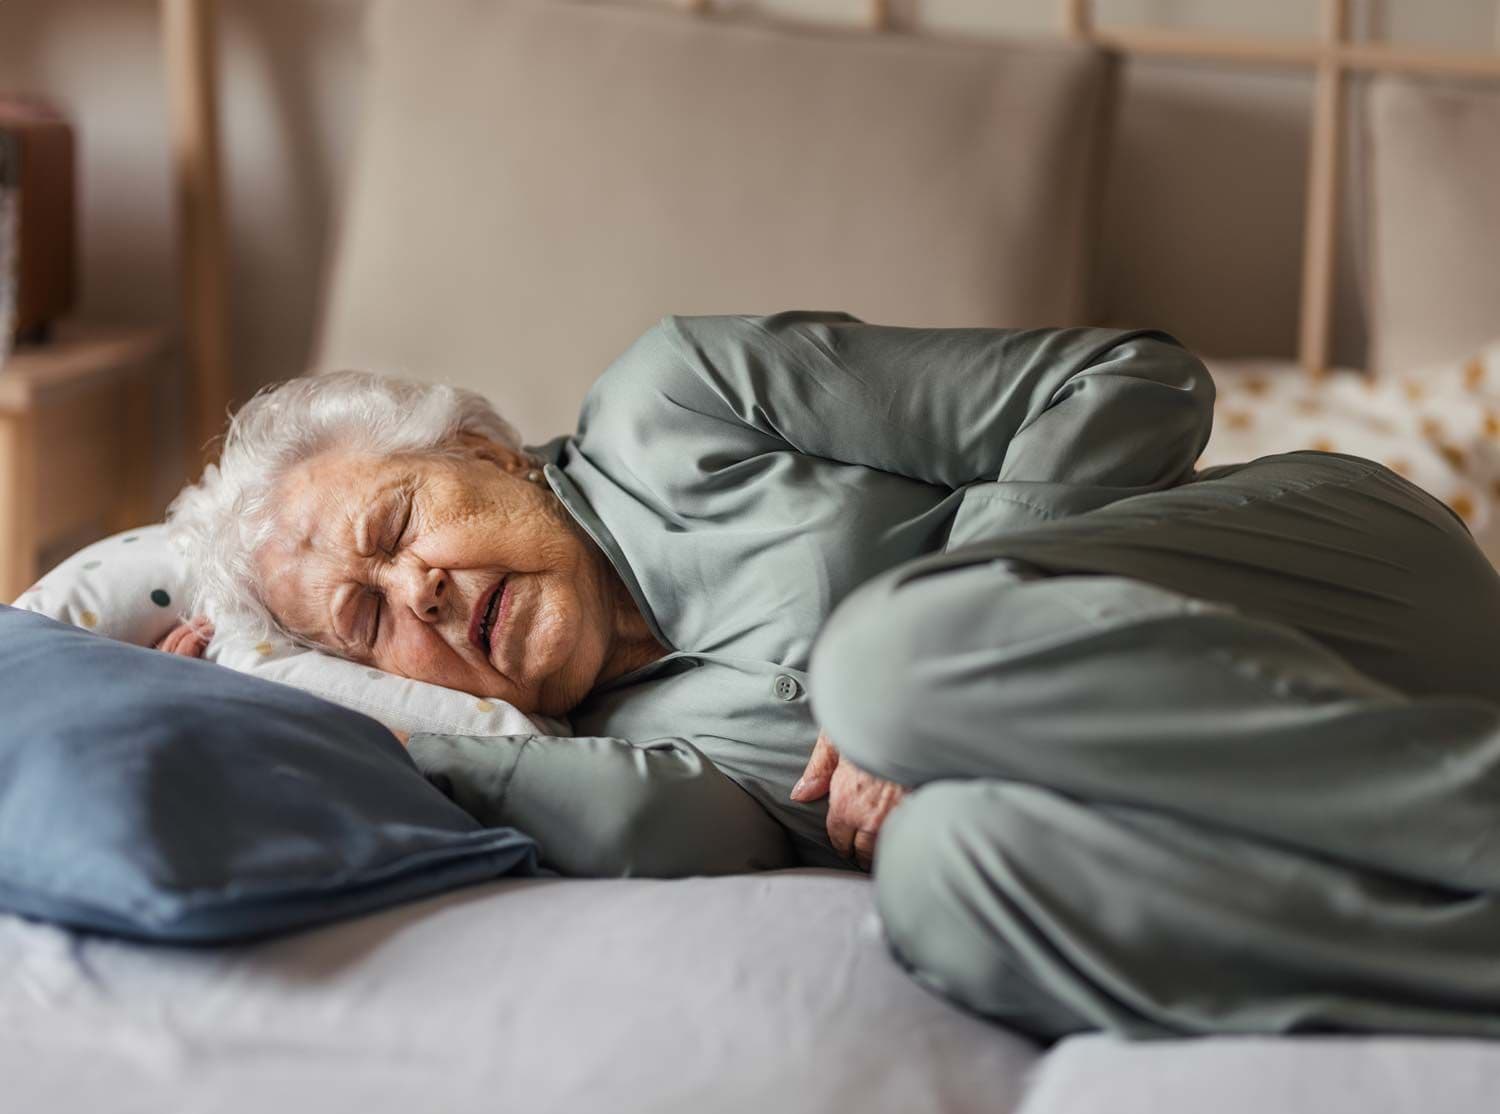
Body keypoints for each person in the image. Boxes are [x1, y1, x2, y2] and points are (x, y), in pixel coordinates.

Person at [165, 311, 1500, 1041]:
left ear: (484, 452)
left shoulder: (673, 399)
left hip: (1340, 587)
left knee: (881, 662)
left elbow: (1126, 381)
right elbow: (651, 830)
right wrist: (320, 703)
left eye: (402, 530)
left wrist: (923, 649)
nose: (425, 593)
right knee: (938, 886)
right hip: (1212, 783)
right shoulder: (624, 750)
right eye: (368, 615)